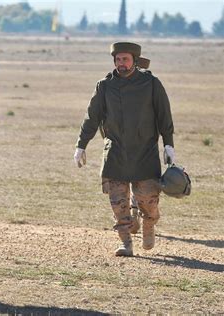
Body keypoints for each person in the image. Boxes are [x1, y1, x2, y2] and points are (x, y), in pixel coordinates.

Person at [73, 42, 175, 257]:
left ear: (134, 61)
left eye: (125, 59)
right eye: (118, 59)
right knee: (118, 203)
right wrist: (81, 145)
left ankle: (148, 225)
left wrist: (168, 144)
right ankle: (126, 243)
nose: (121, 63)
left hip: (144, 152)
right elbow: (92, 117)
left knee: (148, 200)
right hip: (115, 152)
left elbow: (164, 115)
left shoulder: (151, 84)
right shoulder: (105, 86)